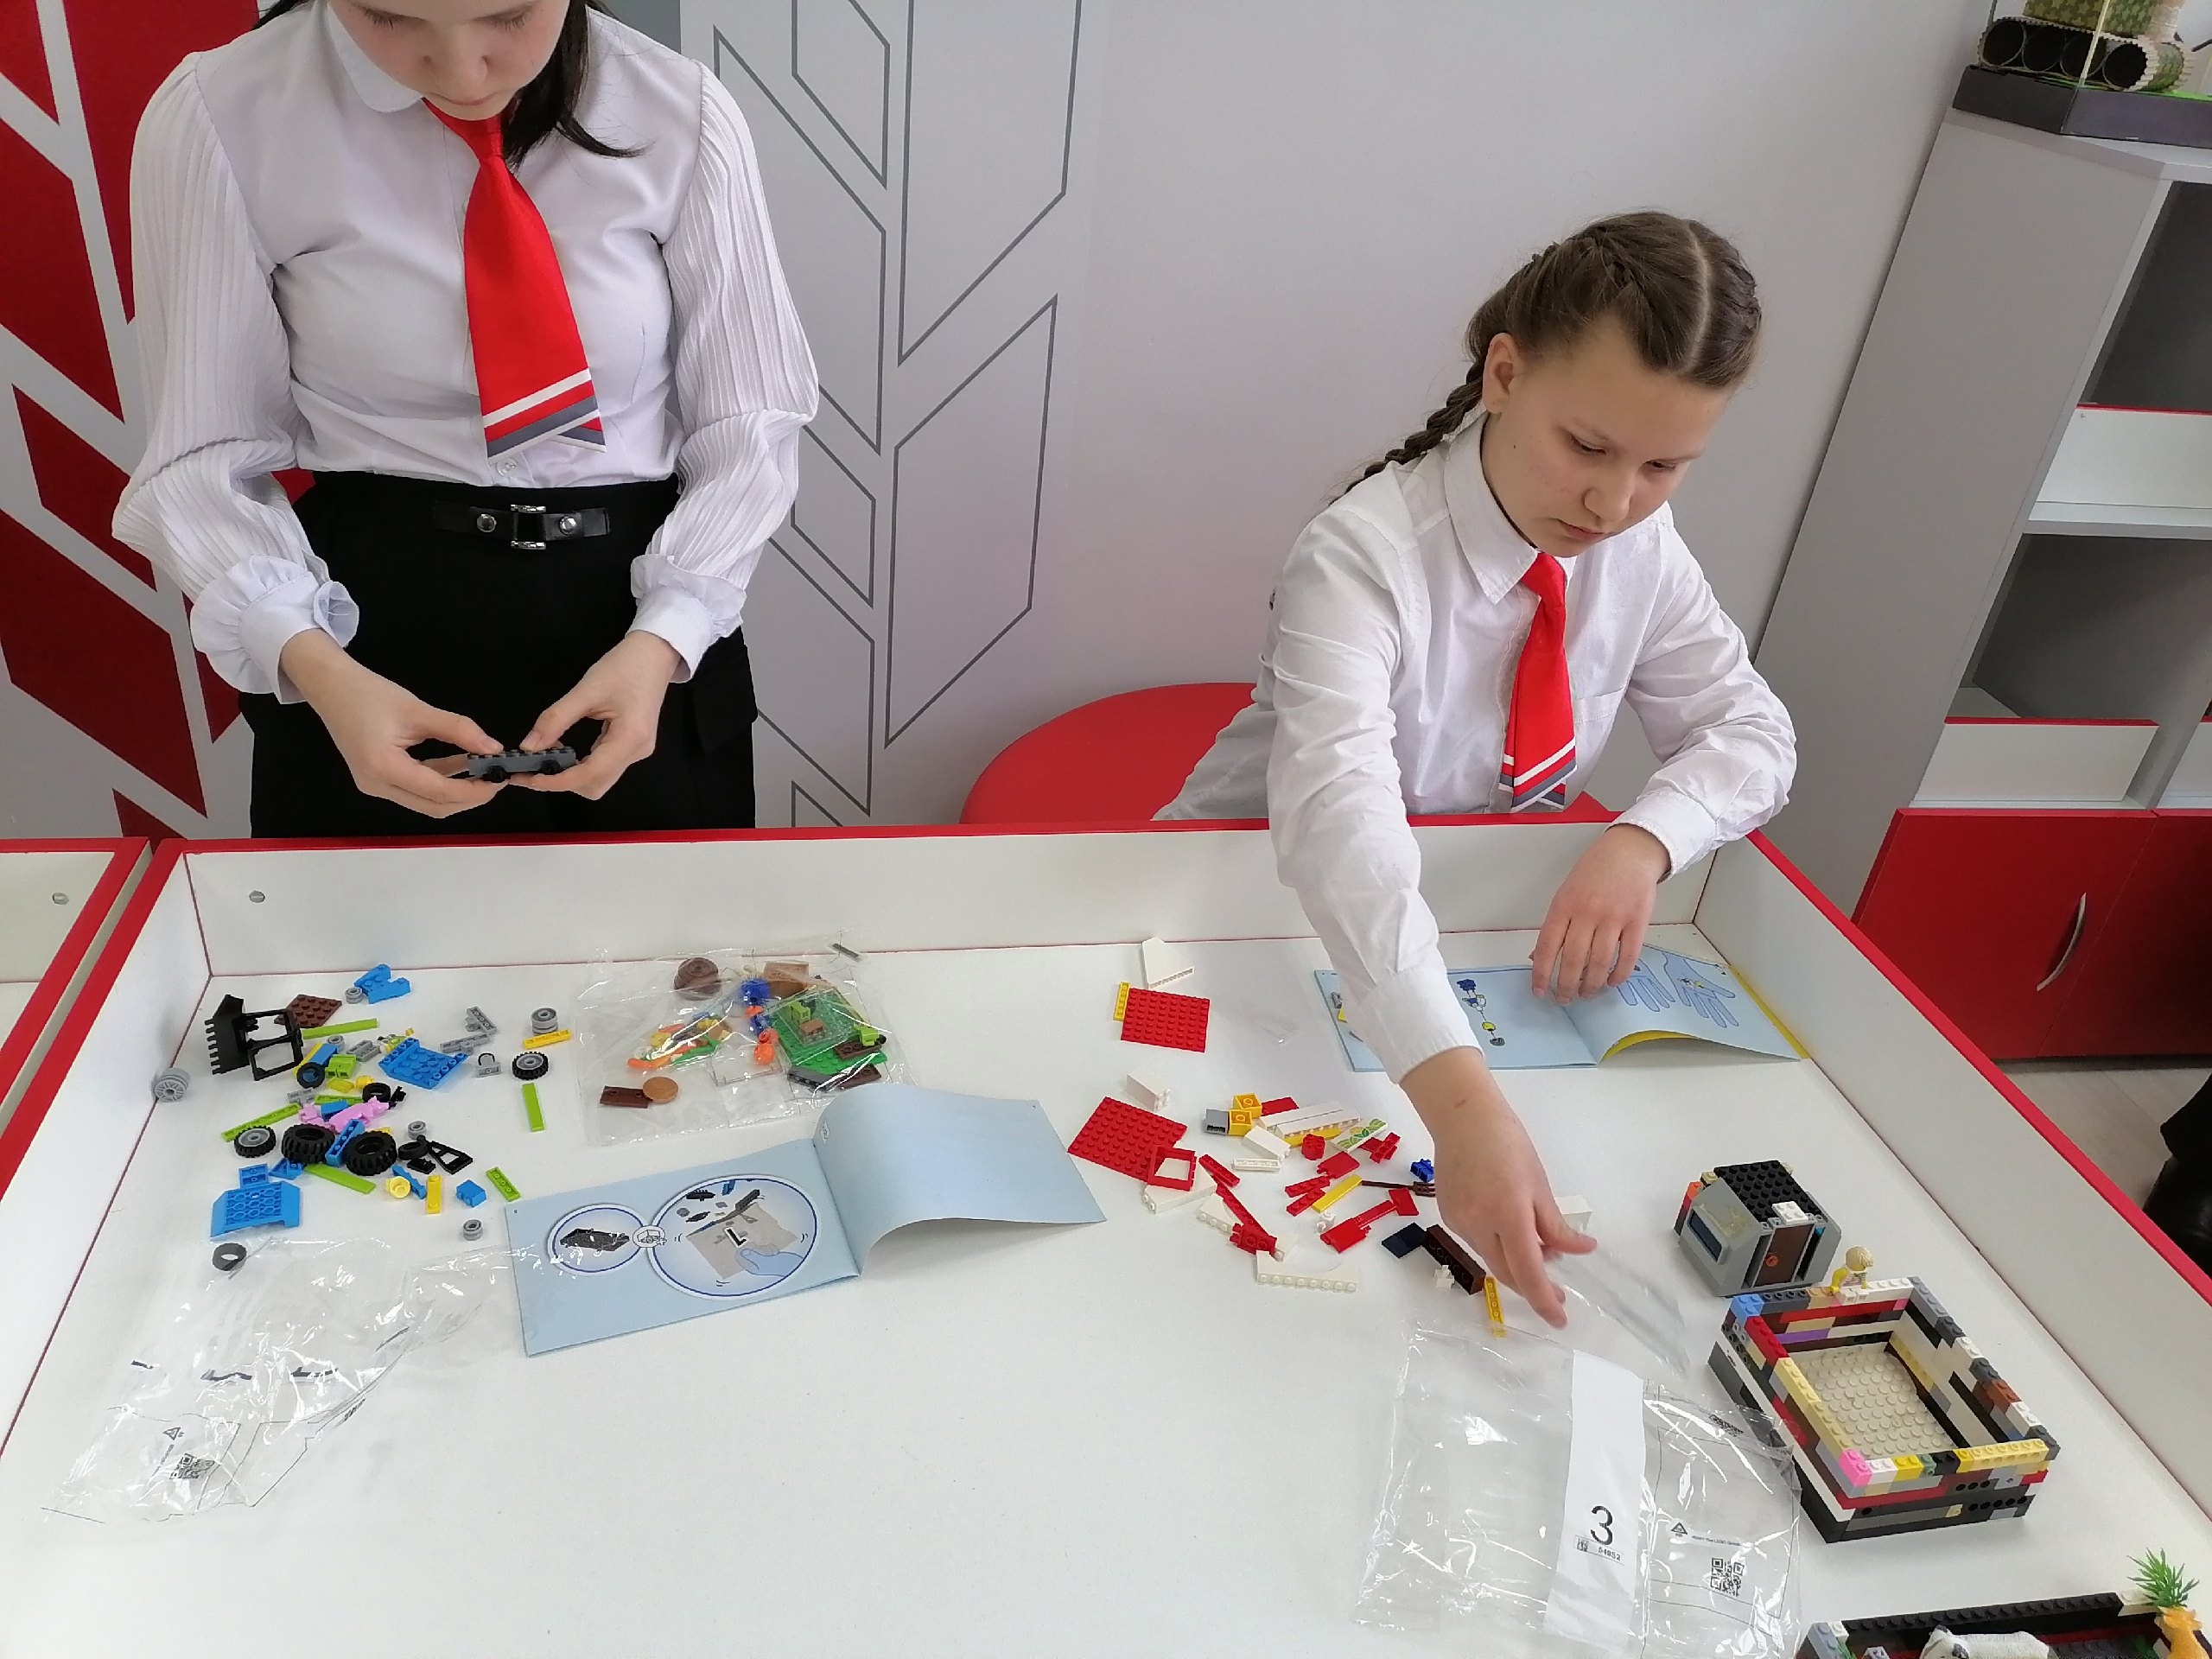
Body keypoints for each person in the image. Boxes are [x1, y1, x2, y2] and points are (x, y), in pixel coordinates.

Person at [1161, 212, 1796, 1325]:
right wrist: (1461, 1112)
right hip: (1236, 904)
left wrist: (1640, 841)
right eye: (1587, 447)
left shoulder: (1637, 547)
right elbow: (1344, 832)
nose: (1613, 504)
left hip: (1438, 919)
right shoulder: (1359, 556)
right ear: (1504, 373)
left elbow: (1752, 734)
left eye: (1663, 466)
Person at [114, 0, 817, 835]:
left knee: (674, 922)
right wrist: (315, 666)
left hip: (639, 622)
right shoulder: (227, 112)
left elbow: (749, 422)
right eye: (389, 18)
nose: (461, 69)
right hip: (363, 635)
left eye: (507, 16)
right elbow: (203, 454)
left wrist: (667, 636)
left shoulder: (677, 108)